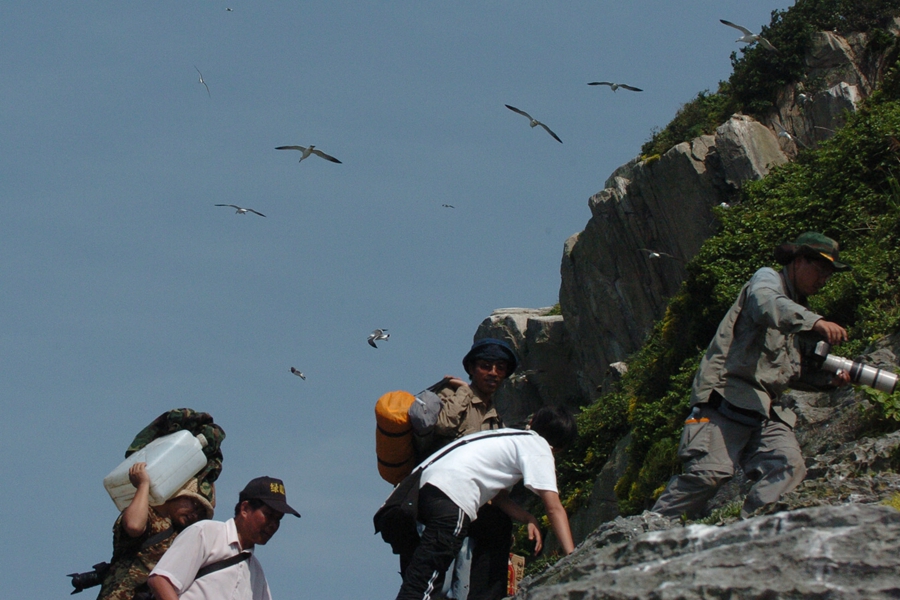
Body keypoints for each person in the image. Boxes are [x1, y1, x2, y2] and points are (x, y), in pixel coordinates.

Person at [652, 232, 852, 520]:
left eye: (828, 275)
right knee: (709, 474)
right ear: (798, 261)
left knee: (788, 466)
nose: (823, 280)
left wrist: (827, 381)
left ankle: (747, 533)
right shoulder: (768, 281)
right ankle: (641, 535)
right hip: (725, 397)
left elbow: (786, 371)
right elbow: (764, 302)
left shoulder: (796, 311)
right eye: (819, 270)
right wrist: (815, 322)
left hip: (764, 408)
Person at [396, 405, 578, 600]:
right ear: (557, 447)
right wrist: (574, 557)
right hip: (452, 494)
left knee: (496, 524)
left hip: (419, 491)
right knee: (427, 576)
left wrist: (527, 518)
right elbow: (554, 508)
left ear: (533, 422)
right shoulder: (539, 446)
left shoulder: (507, 437)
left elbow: (498, 497)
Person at [418, 338, 519, 600]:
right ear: (472, 368)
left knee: (465, 583)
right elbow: (443, 425)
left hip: (475, 509)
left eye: (500, 368)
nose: (493, 373)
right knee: (441, 581)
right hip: (442, 502)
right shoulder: (451, 396)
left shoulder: (496, 418)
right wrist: (463, 390)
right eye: (486, 366)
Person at [147, 476, 300, 600]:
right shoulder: (206, 533)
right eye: (269, 515)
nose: (273, 525)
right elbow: (161, 580)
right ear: (245, 509)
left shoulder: (257, 574)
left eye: (278, 519)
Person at [96, 462, 214, 600]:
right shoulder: (148, 516)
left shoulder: (182, 534)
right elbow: (134, 526)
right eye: (193, 504)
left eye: (200, 512)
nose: (194, 514)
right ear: (176, 494)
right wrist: (143, 485)